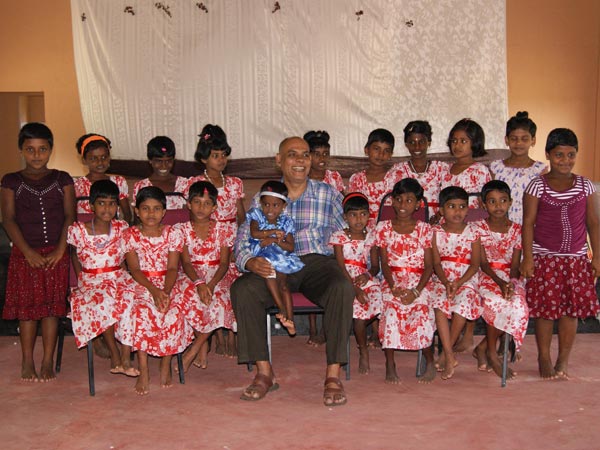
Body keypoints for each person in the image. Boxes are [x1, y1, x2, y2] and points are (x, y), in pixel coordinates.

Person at [231, 136, 354, 407]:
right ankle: (264, 373)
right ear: (279, 160)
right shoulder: (265, 196)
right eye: (292, 154)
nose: (300, 160)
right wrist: (249, 261)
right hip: (275, 263)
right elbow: (243, 235)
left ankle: (333, 375)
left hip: (315, 262)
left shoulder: (328, 194)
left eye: (305, 154)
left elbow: (348, 232)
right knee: (243, 289)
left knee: (341, 287)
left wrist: (358, 261)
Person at [520, 128, 600, 380]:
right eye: (559, 155)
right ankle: (543, 357)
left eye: (570, 155)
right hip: (545, 259)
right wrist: (529, 258)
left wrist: (597, 256)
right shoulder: (537, 186)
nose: (565, 161)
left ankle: (563, 359)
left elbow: (593, 223)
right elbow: (528, 223)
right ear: (548, 155)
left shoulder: (586, 186)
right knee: (546, 312)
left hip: (576, 260)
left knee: (570, 312)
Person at [1, 122, 76, 382]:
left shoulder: (62, 179)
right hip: (25, 255)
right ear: (21, 150)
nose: (36, 155)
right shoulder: (11, 181)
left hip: (56, 254)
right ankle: (26, 360)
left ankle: (47, 361)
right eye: (30, 149)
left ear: (51, 150)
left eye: (42, 149)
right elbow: (8, 219)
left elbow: (70, 216)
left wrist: (60, 249)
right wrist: (28, 252)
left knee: (51, 310)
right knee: (27, 311)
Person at [124, 187, 193, 394]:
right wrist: (154, 291)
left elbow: (172, 268)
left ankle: (166, 361)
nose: (151, 213)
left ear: (164, 212)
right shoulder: (130, 235)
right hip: (141, 283)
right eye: (145, 208)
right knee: (140, 312)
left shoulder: (172, 233)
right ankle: (143, 368)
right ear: (137, 211)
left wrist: (165, 291)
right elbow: (135, 269)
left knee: (172, 311)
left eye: (156, 209)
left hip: (168, 282)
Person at [67, 180, 138, 377]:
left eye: (112, 203)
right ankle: (114, 354)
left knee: (131, 297)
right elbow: (74, 255)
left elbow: (125, 257)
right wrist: (81, 279)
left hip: (117, 277)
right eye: (101, 203)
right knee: (103, 300)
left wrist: (126, 277)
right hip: (91, 279)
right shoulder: (78, 230)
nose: (107, 208)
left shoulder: (122, 228)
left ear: (117, 206)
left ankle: (126, 356)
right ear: (91, 206)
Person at [188, 124, 244, 357]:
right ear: (203, 159)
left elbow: (241, 216)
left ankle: (232, 335)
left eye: (223, 155)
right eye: (215, 156)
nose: (221, 160)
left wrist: (240, 244)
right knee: (211, 284)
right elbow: (192, 218)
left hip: (231, 238)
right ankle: (217, 336)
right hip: (206, 243)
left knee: (233, 284)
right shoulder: (194, 183)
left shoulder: (235, 183)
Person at [375, 179, 436, 384]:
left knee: (421, 311)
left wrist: (416, 291)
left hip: (420, 282)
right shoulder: (383, 228)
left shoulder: (425, 229)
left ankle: (429, 360)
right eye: (399, 199)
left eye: (409, 200)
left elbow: (429, 266)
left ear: (418, 204)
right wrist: (393, 287)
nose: (403, 205)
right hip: (393, 280)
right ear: (392, 201)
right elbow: (384, 263)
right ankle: (390, 363)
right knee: (391, 310)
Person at [174, 181, 237, 371]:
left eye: (207, 203)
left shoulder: (223, 229)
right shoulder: (181, 229)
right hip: (192, 274)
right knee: (188, 296)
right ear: (188, 204)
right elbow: (186, 263)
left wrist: (210, 284)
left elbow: (224, 263)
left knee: (218, 298)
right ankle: (202, 348)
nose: (201, 208)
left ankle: (195, 348)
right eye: (197, 202)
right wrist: (200, 283)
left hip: (218, 274)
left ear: (214, 207)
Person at [440, 118, 491, 352]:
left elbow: (483, 207)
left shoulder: (480, 171)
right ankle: (451, 332)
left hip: (470, 234)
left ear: (474, 143)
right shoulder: (445, 171)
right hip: (448, 235)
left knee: (471, 279)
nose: (457, 145)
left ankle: (468, 333)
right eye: (454, 141)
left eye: (464, 141)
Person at [472, 180, 529, 379]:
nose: (498, 206)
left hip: (509, 278)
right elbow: (483, 264)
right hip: (486, 276)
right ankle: (491, 353)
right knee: (495, 301)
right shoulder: (477, 228)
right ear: (483, 204)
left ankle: (482, 347)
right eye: (492, 201)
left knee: (517, 304)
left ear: (510, 202)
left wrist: (511, 284)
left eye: (503, 201)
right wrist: (500, 283)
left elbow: (514, 266)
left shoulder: (517, 230)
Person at [348, 128, 396, 348]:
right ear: (366, 150)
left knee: (385, 281)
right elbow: (351, 209)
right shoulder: (357, 179)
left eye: (386, 151)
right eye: (376, 149)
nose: (380, 155)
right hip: (363, 240)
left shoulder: (395, 177)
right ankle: (374, 329)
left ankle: (382, 330)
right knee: (368, 279)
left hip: (389, 239)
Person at [429, 186, 482, 380]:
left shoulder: (473, 232)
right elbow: (436, 263)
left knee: (462, 305)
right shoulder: (435, 232)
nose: (457, 211)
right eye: (452, 206)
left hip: (465, 279)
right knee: (439, 306)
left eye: (462, 206)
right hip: (441, 278)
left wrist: (458, 283)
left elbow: (475, 264)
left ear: (468, 209)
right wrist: (446, 282)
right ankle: (450, 356)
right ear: (442, 210)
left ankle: (446, 353)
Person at [329, 192, 381, 374]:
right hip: (344, 279)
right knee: (359, 313)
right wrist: (355, 289)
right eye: (353, 215)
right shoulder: (339, 237)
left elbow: (375, 266)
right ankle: (363, 350)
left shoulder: (371, 237)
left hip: (364, 278)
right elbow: (340, 266)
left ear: (369, 216)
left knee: (376, 300)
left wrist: (367, 275)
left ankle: (374, 335)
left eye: (363, 214)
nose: (359, 219)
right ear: (345, 217)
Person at [247, 180, 304, 335]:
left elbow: (290, 247)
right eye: (266, 204)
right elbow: (254, 233)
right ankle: (281, 308)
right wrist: (272, 234)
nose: (270, 209)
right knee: (269, 273)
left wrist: (276, 241)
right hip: (263, 254)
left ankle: (290, 321)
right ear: (261, 203)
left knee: (284, 285)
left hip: (281, 256)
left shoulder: (286, 222)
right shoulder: (256, 215)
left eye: (275, 205)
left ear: (283, 206)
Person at [304, 129, 345, 346]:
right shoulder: (302, 178)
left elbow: (342, 207)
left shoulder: (334, 178)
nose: (322, 159)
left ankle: (326, 329)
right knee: (310, 273)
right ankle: (312, 328)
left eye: (325, 154)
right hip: (311, 235)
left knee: (331, 277)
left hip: (332, 232)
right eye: (316, 154)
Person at [490, 111, 547, 224]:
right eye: (514, 138)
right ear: (506, 140)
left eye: (524, 139)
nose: (519, 143)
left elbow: (543, 204)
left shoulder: (540, 170)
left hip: (530, 227)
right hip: (502, 226)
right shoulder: (496, 168)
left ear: (533, 140)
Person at [388, 121, 449, 220]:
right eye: (412, 142)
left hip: (439, 222)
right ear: (406, 145)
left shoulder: (442, 169)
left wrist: (438, 217)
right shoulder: (397, 170)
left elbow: (450, 197)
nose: (417, 147)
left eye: (421, 142)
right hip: (406, 222)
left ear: (429, 142)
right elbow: (392, 201)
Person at [73, 133, 132, 223]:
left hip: (112, 230)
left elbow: (127, 214)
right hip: (84, 230)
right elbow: (71, 215)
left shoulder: (118, 182)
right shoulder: (76, 185)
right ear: (84, 160)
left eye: (104, 157)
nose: (100, 162)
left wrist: (121, 229)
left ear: (109, 157)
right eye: (93, 158)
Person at [133, 136, 189, 210]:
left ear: (173, 160)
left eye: (168, 161)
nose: (164, 166)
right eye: (159, 161)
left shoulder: (185, 184)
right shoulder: (141, 186)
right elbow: (137, 215)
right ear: (150, 160)